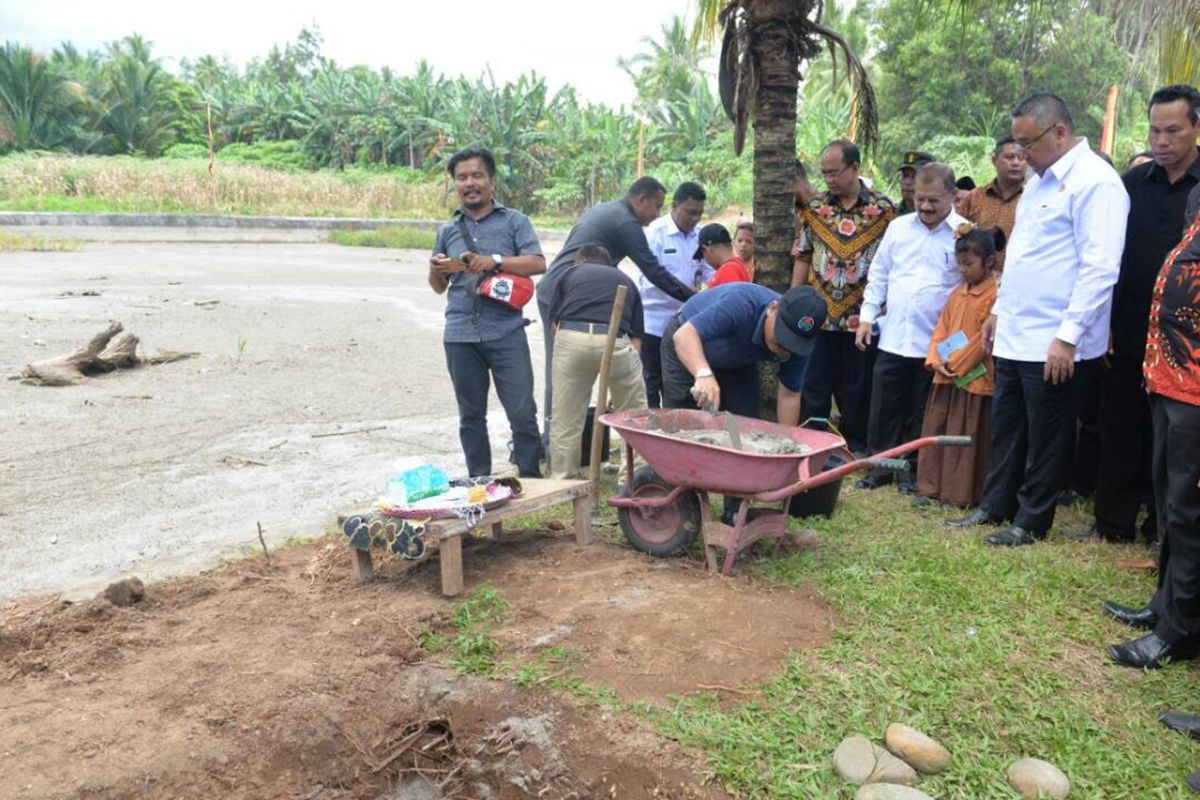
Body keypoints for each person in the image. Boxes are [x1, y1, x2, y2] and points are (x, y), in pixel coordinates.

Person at [946, 92, 1129, 546]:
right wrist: (999, 312)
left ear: (1060, 132)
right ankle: (995, 505)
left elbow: (1100, 267)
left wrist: (1068, 338)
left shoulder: (1096, 183)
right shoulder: (1041, 184)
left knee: (1047, 435)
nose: (1022, 155)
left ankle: (1032, 519)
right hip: (1014, 331)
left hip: (1054, 339)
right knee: (1007, 426)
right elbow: (1024, 258)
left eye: (1028, 144)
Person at [1073, 85, 1200, 546]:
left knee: (1173, 437)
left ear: (1196, 128)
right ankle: (1112, 522)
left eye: (1173, 130)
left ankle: (1162, 529)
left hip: (1187, 339)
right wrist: (1101, 322)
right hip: (1128, 326)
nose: (1162, 140)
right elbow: (1107, 257)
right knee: (1120, 421)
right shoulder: (1129, 187)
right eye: (1154, 130)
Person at [1104, 185, 1200, 670]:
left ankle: (1180, 630)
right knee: (1170, 507)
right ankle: (1167, 606)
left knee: (1189, 513)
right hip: (1169, 386)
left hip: (1195, 395)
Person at [535, 178, 696, 441]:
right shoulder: (625, 223)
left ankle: (560, 442)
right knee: (564, 370)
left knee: (565, 368)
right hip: (566, 295)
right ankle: (554, 443)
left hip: (562, 290)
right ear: (640, 199)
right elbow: (653, 270)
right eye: (656, 206)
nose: (657, 215)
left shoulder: (605, 210)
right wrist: (692, 298)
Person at [429, 147, 546, 478]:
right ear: (455, 184)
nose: (469, 183)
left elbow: (538, 263)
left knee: (522, 411)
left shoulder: (514, 222)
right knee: (470, 416)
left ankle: (530, 478)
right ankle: (478, 484)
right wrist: (436, 268)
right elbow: (438, 287)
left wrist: (495, 260)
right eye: (462, 177)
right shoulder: (447, 230)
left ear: (492, 182)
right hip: (460, 334)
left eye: (476, 175)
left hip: (506, 330)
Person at [856, 163, 967, 492]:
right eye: (920, 199)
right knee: (884, 406)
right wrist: (867, 316)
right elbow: (880, 273)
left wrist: (956, 345)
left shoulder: (965, 233)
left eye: (934, 200)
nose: (926, 207)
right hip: (894, 335)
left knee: (921, 410)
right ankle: (881, 467)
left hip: (936, 343)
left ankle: (911, 471)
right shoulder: (899, 228)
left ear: (952, 195)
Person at [792, 138, 897, 453]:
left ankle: (855, 445)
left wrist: (885, 304)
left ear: (854, 168)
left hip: (862, 318)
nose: (829, 180)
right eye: (824, 173)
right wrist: (793, 299)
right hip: (819, 314)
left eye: (835, 172)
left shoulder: (883, 209)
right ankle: (814, 443)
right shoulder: (815, 209)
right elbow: (803, 254)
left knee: (857, 386)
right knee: (814, 383)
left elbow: (893, 261)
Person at [915, 226, 1004, 508]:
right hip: (946, 376)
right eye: (960, 264)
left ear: (989, 262)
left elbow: (983, 340)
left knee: (967, 435)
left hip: (974, 380)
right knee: (938, 428)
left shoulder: (996, 297)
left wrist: (958, 365)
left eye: (969, 264)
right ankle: (931, 488)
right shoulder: (956, 294)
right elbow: (942, 329)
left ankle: (959, 494)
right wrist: (936, 360)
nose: (963, 270)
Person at [661, 283, 827, 424]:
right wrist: (703, 374)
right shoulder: (741, 304)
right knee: (685, 422)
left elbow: (789, 395)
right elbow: (685, 335)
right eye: (782, 334)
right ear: (773, 308)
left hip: (738, 360)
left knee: (745, 424)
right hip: (688, 343)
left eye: (792, 342)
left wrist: (788, 446)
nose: (785, 346)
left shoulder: (799, 346)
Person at [546, 245, 646, 479]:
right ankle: (635, 479)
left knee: (566, 417)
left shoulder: (569, 274)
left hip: (571, 337)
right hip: (614, 340)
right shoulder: (625, 279)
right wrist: (625, 379)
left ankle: (563, 480)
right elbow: (637, 339)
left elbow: (554, 325)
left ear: (581, 261)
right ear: (608, 264)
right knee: (633, 416)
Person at [640, 182, 710, 408]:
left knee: (679, 389)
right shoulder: (654, 234)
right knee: (649, 386)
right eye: (690, 212)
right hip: (653, 324)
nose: (694, 218)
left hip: (685, 327)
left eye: (699, 213)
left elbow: (712, 274)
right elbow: (651, 276)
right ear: (674, 206)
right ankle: (649, 439)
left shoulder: (700, 237)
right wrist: (690, 295)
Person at [957, 136, 1028, 273]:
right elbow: (957, 238)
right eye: (1010, 157)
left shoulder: (1034, 198)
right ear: (994, 160)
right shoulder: (974, 198)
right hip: (977, 283)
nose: (1016, 163)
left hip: (1019, 280)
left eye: (1022, 158)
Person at [895, 150, 936, 215]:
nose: (907, 182)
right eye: (905, 175)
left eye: (915, 176)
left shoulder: (941, 217)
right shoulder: (889, 216)